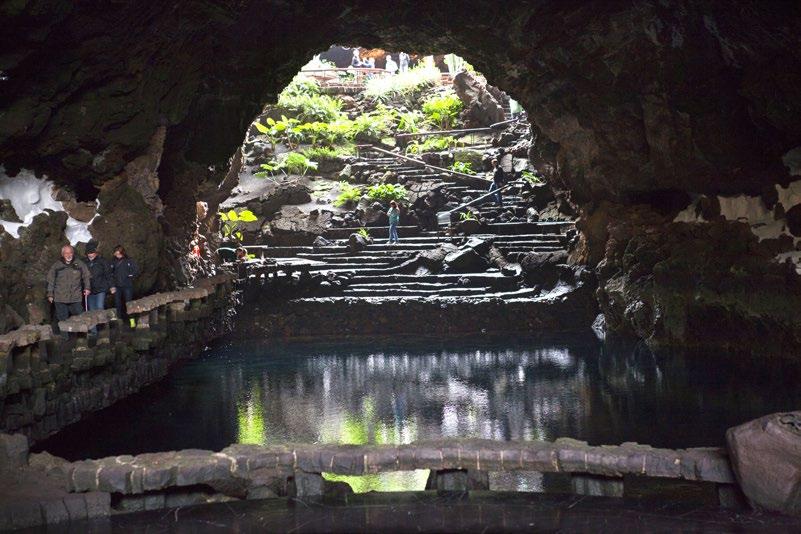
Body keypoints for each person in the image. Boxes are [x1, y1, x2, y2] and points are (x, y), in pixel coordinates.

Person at [46, 244, 91, 338]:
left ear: (73, 253)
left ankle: (82, 338)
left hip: (75, 297)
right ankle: (65, 340)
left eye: (70, 252)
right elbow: (51, 280)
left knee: (80, 317)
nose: (68, 255)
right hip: (60, 298)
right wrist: (50, 294)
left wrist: (87, 288)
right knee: (63, 320)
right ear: (62, 254)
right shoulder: (56, 265)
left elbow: (86, 277)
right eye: (66, 253)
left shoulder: (80, 264)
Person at [84, 241, 115, 335]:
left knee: (100, 308)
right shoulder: (84, 262)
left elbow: (108, 274)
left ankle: (104, 330)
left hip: (101, 289)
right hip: (90, 290)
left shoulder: (102, 261)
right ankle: (94, 332)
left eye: (92, 253)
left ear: (96, 252)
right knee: (91, 311)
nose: (90, 255)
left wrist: (112, 286)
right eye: (88, 253)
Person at [112, 245, 139, 325]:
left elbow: (136, 270)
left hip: (127, 286)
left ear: (122, 252)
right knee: (117, 304)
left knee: (129, 304)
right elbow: (110, 273)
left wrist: (131, 275)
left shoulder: (129, 260)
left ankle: (132, 322)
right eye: (116, 253)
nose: (116, 255)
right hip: (117, 286)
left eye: (118, 253)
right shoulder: (113, 261)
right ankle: (119, 322)